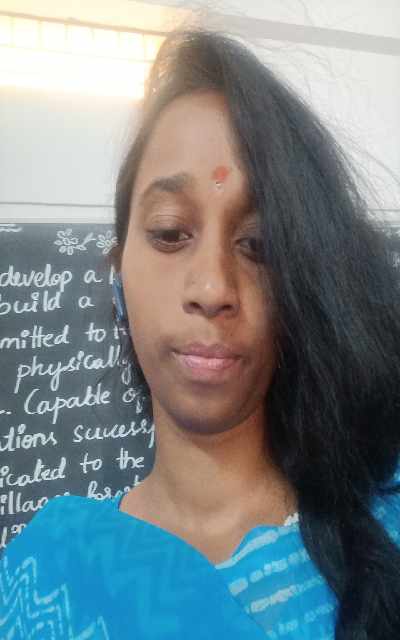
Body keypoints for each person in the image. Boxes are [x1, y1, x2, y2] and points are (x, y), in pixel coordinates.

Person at [1, 27, 400, 640]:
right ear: (117, 277)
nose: (213, 287)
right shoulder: (43, 577)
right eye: (169, 233)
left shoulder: (382, 534)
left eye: (259, 245)